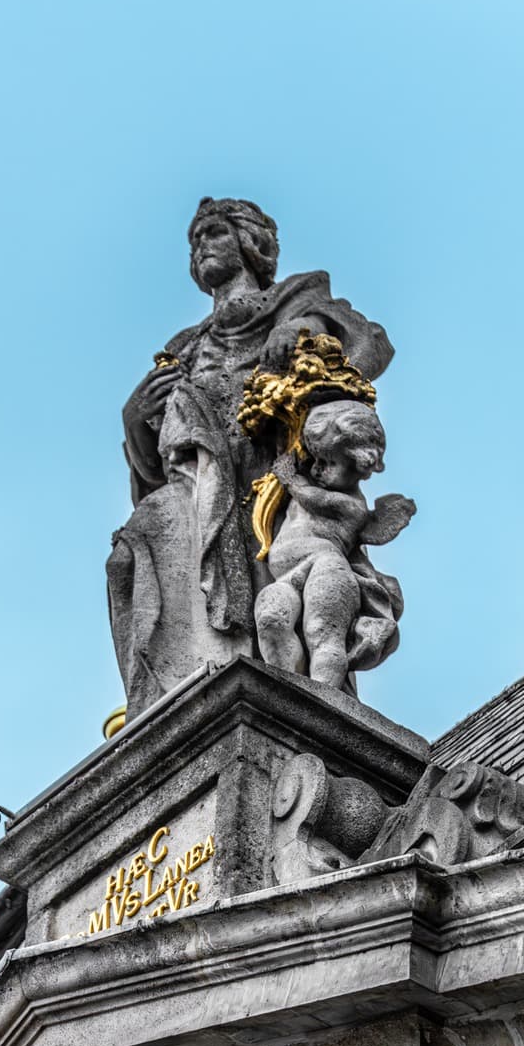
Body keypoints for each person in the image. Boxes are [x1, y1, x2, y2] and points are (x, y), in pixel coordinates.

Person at [106, 200, 393, 718]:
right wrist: (135, 422)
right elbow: (152, 472)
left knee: (285, 613)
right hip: (195, 488)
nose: (201, 247)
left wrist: (306, 325)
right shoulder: (184, 347)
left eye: (213, 233)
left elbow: (367, 347)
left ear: (250, 242)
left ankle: (266, 694)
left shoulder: (297, 298)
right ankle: (168, 701)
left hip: (268, 484)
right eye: (194, 241)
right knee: (136, 543)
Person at [254, 401, 416, 691]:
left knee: (322, 636)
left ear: (358, 462)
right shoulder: (316, 481)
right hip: (289, 575)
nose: (317, 469)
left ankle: (322, 704)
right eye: (316, 460)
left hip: (327, 568)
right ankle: (287, 700)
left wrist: (290, 478)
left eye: (328, 463)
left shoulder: (353, 506)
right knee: (270, 619)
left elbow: (315, 499)